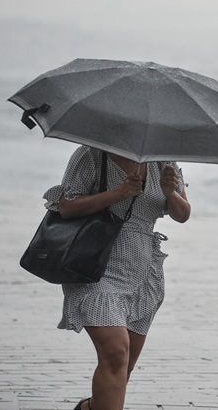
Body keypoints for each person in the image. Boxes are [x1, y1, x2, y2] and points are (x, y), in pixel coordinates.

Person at [43, 146, 191, 410]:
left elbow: (183, 214)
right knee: (115, 354)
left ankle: (88, 408)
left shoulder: (164, 161)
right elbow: (66, 208)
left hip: (143, 274)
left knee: (124, 366)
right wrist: (118, 193)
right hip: (94, 268)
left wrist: (170, 193)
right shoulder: (91, 154)